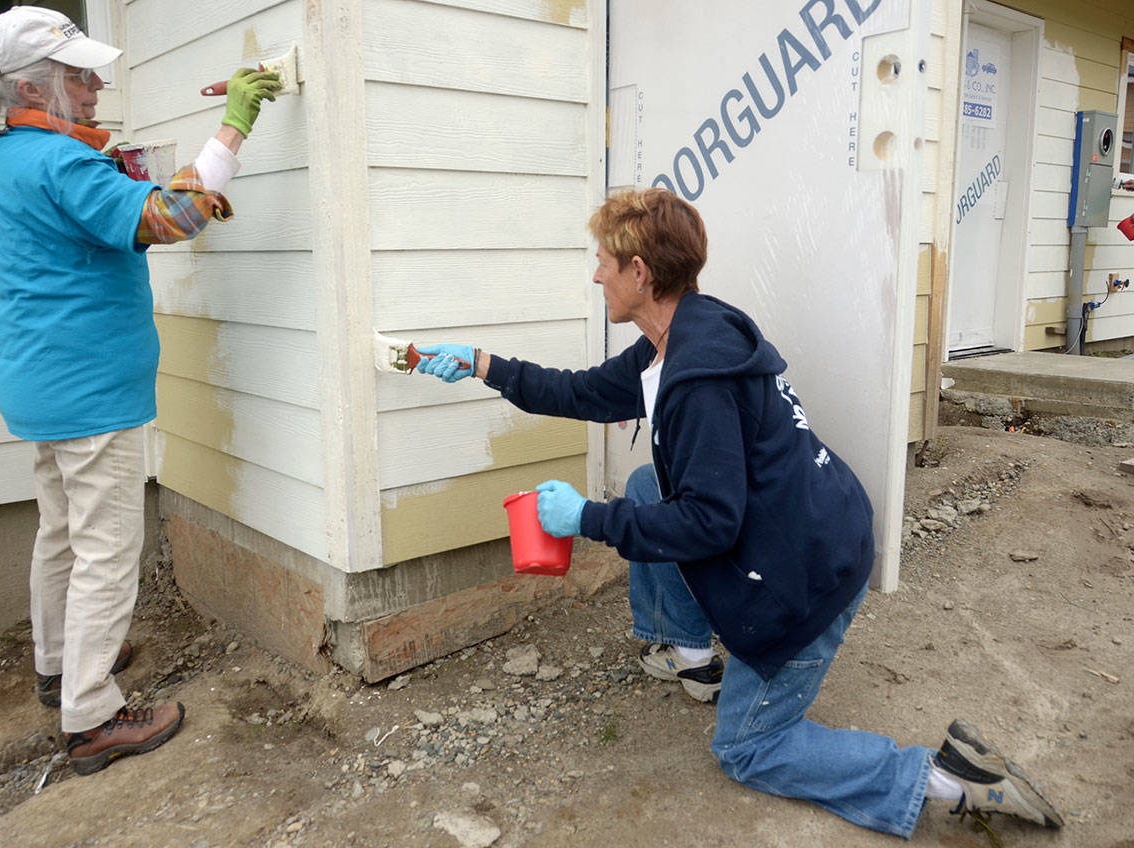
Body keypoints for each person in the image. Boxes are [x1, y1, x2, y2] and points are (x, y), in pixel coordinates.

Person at [413, 187, 1064, 837]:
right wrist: (483, 364)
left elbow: (709, 523)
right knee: (647, 483)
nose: (595, 274)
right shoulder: (679, 335)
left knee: (748, 748)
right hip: (814, 524)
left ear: (639, 272)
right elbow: (581, 392)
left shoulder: (696, 377)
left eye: (604, 261)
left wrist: (586, 519)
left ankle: (947, 781)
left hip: (807, 575)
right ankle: (687, 653)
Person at [0, 5, 282, 776]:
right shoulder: (58, 164)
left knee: (62, 532)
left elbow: (105, 202)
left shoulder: (12, 156)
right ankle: (93, 716)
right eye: (80, 75)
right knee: (106, 550)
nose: (97, 85)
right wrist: (233, 125)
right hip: (90, 391)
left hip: (42, 386)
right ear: (36, 85)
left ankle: (59, 661)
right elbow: (171, 217)